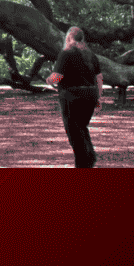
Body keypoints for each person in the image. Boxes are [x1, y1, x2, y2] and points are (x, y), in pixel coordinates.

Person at [46, 26, 103, 167]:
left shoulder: (66, 53)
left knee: (74, 133)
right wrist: (98, 99)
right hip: (90, 94)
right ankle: (90, 158)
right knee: (82, 127)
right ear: (82, 38)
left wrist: (48, 79)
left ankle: (84, 164)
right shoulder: (91, 55)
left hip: (72, 97)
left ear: (69, 38)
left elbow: (57, 77)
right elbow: (99, 78)